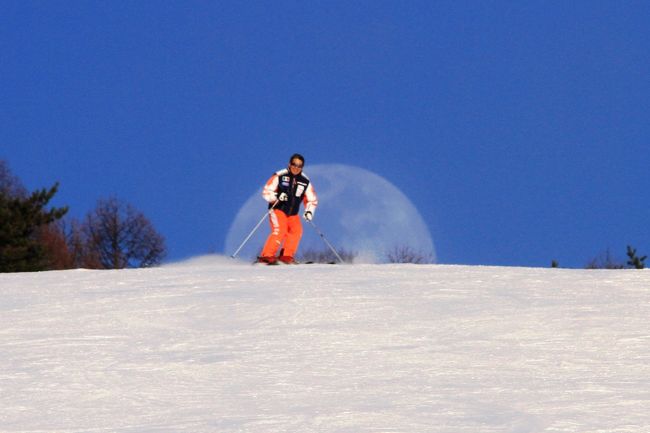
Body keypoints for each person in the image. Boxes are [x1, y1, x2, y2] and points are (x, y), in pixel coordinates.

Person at [258, 153, 318, 264]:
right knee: (280, 230)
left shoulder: (305, 181)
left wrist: (309, 211)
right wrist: (277, 196)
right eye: (294, 164)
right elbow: (266, 192)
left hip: (293, 213)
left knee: (297, 231)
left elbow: (311, 199)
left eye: (299, 166)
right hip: (278, 209)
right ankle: (266, 256)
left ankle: (286, 256)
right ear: (289, 164)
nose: (296, 168)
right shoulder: (280, 176)